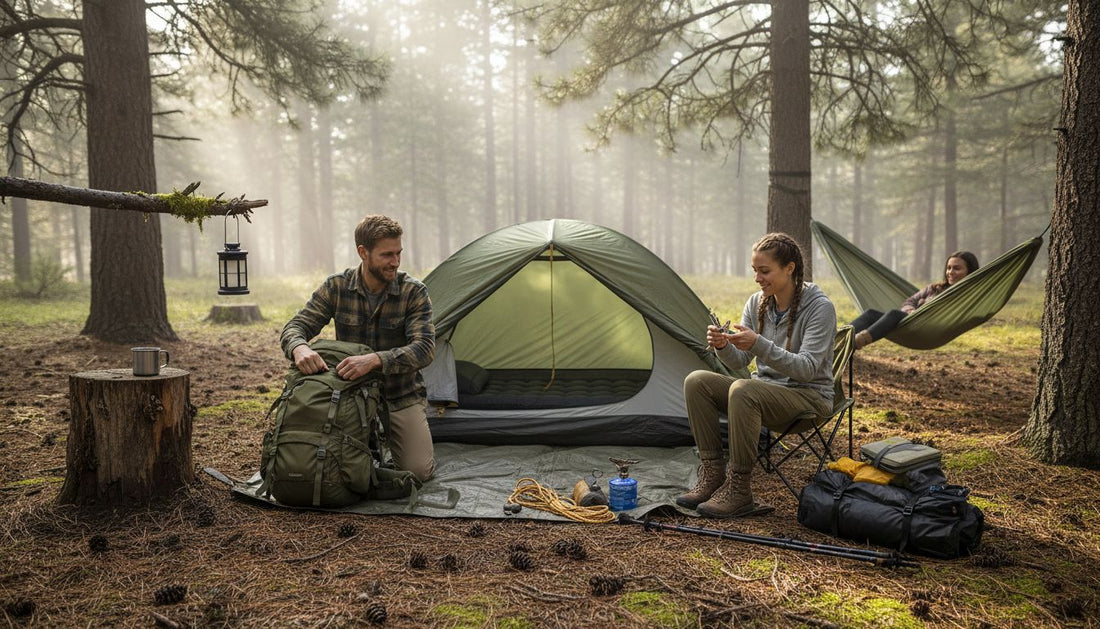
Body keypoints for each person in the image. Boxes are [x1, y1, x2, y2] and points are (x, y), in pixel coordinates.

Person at [677, 233, 836, 518]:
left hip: (808, 399)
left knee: (743, 389)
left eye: (765, 271)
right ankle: (713, 475)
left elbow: (807, 369)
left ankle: (739, 491)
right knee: (697, 381)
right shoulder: (757, 303)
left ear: (790, 268)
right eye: (755, 271)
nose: (757, 278)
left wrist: (759, 344)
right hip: (761, 394)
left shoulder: (819, 307)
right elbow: (740, 360)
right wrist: (723, 345)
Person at [280, 214, 436, 482]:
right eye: (387, 255)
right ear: (362, 252)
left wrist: (375, 360)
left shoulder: (414, 292)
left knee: (417, 472)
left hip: (400, 394)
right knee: (330, 469)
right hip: (349, 396)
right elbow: (296, 327)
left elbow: (425, 348)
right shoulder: (336, 287)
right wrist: (299, 349)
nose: (395, 262)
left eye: (399, 253)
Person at [850, 250, 979, 350]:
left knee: (894, 314)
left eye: (956, 268)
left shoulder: (968, 298)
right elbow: (909, 302)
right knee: (870, 314)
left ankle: (858, 342)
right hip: (911, 321)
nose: (950, 272)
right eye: (948, 267)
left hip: (929, 331)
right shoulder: (934, 288)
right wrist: (911, 312)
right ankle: (837, 338)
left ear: (969, 271)